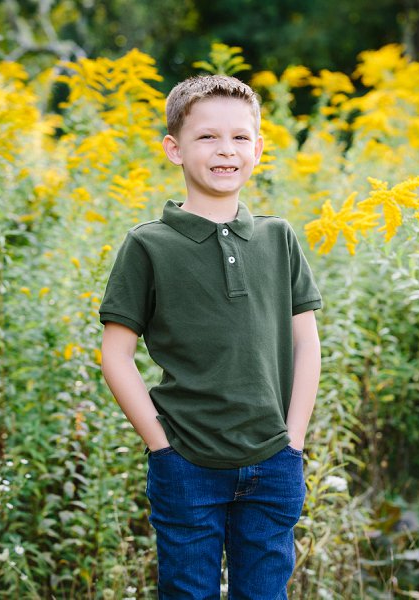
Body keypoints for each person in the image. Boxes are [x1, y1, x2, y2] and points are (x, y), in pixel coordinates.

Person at [98, 74, 323, 599]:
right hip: (187, 466)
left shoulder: (278, 237)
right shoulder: (148, 245)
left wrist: (294, 441)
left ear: (259, 148)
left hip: (273, 460)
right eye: (207, 138)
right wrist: (162, 448)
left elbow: (307, 343)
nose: (226, 151)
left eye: (240, 137)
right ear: (174, 149)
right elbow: (116, 355)